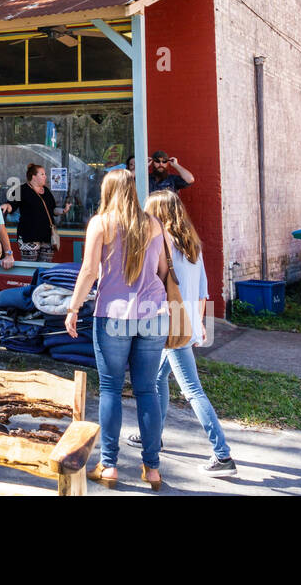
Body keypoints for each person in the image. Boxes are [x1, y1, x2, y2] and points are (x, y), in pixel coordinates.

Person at [65, 168, 169, 491]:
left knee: (110, 389)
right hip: (153, 314)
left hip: (113, 315)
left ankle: (109, 465)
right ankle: (152, 469)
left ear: (107, 191)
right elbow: (164, 269)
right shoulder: (153, 224)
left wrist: (73, 308)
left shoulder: (101, 223)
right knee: (147, 389)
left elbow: (88, 271)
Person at [137, 191, 236, 477]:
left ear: (158, 214)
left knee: (192, 390)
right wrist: (200, 322)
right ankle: (153, 437)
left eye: (148, 211)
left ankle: (223, 454)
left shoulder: (160, 243)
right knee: (157, 379)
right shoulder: (192, 244)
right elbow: (204, 287)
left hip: (172, 326)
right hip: (187, 323)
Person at [2, 163, 72, 263]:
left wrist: (63, 210)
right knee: (30, 269)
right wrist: (6, 206)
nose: (45, 176)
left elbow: (52, 210)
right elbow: (12, 205)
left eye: (45, 174)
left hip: (47, 236)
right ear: (33, 176)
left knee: (44, 270)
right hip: (29, 236)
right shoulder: (21, 189)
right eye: (42, 174)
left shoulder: (46, 191)